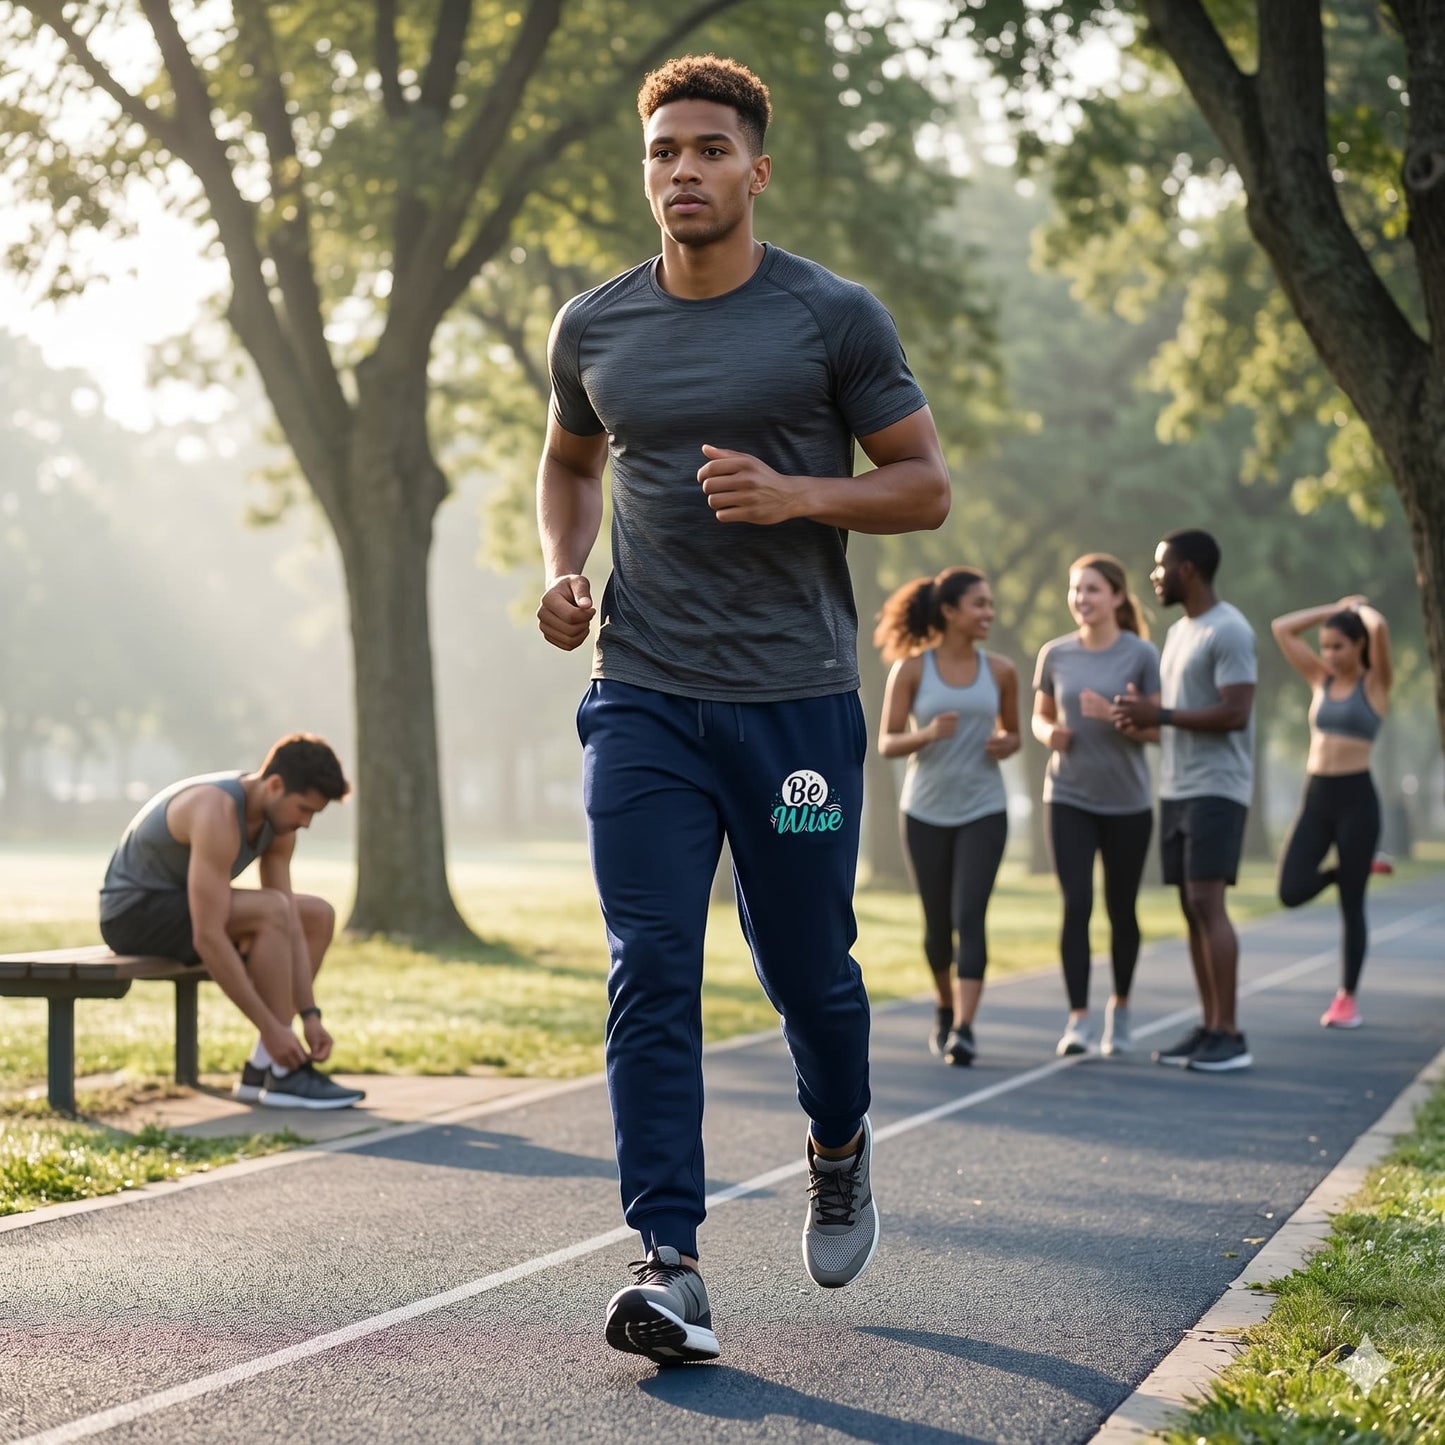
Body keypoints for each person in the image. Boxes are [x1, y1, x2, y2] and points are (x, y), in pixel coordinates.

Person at [534, 54, 949, 1364]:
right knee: (649, 962)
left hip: (796, 701)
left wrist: (799, 496)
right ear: (644, 170)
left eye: (709, 149)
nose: (684, 172)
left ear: (755, 170)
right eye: (663, 152)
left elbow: (925, 485)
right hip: (644, 692)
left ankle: (838, 1142)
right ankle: (670, 1258)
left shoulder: (831, 317)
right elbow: (567, 458)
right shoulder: (592, 325)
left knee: (808, 974)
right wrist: (562, 563)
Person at [99, 733, 364, 1110]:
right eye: (304, 809)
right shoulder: (216, 810)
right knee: (271, 910)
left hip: (185, 910)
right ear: (274, 785)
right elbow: (208, 937)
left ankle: (266, 1067)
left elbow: (288, 919)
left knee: (316, 916)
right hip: (133, 916)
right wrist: (273, 1028)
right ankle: (283, 1067)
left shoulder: (279, 825)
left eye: (314, 814)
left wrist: (310, 1016)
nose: (306, 823)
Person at [1112, 529, 1257, 1073]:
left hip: (1217, 787)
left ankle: (1232, 1033)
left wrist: (1162, 715)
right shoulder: (1179, 633)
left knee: (1206, 902)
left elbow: (1235, 712)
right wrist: (1140, 710)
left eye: (1161, 565)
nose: (1153, 576)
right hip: (1177, 785)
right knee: (1191, 908)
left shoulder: (1230, 630)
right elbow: (1178, 706)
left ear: (1189, 570)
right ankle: (1209, 1025)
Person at [875, 567, 1018, 1067]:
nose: (989, 614)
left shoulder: (1001, 671)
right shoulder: (913, 669)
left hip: (985, 808)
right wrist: (928, 734)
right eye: (979, 604)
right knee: (937, 922)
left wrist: (1006, 743)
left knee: (969, 916)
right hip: (925, 810)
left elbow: (1014, 734)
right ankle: (943, 1005)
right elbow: (888, 742)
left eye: (990, 604)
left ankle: (964, 1027)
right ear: (950, 611)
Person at [1032, 554, 1160, 1058]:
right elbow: (1040, 716)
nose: (1082, 599)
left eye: (1092, 590)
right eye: (1076, 590)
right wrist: (1050, 733)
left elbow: (1155, 729)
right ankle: (1079, 1019)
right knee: (1077, 905)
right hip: (1067, 796)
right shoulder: (1056, 654)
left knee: (1121, 909)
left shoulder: (1141, 655)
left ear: (1116, 597)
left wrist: (1116, 717)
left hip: (1127, 800)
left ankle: (1121, 1013)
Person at [1271, 596, 1393, 1027]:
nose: (1329, 655)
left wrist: (1363, 613)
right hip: (1317, 796)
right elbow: (1282, 628)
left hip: (1357, 800)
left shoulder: (1375, 684)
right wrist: (1328, 611)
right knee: (1290, 890)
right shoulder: (1319, 680)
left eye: (1339, 646)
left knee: (1351, 905)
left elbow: (1379, 630)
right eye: (1324, 646)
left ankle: (1347, 998)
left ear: (1358, 646)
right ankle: (1350, 868)